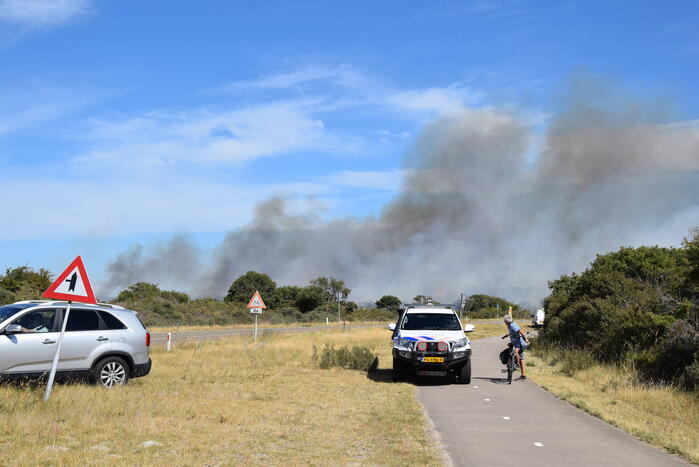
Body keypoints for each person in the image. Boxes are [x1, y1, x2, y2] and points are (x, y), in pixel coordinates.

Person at [504, 311, 529, 380]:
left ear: (507, 321)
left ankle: (517, 365)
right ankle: (523, 375)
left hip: (520, 343)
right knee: (521, 359)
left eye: (504, 321)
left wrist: (525, 338)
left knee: (515, 351)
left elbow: (519, 331)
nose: (504, 322)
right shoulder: (510, 325)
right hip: (517, 342)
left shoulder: (512, 325)